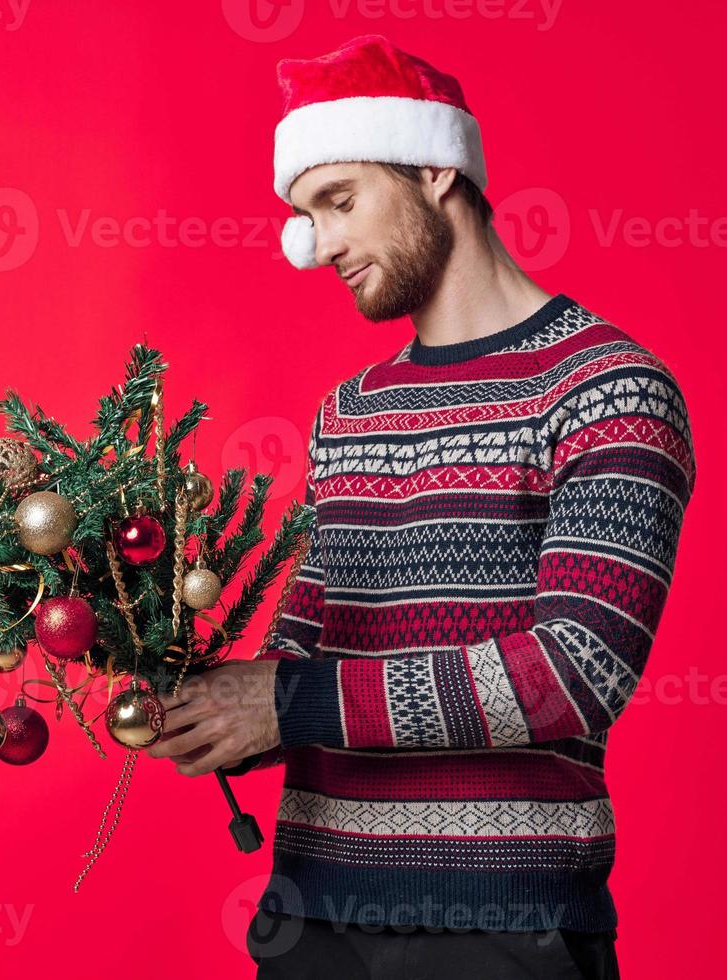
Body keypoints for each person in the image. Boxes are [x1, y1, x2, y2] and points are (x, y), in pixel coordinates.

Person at [147, 36, 696, 979]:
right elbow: (308, 642)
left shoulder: (608, 385)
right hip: (312, 914)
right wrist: (206, 707)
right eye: (307, 216)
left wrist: (281, 703)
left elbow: (574, 672)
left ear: (438, 165)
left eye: (342, 201)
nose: (322, 246)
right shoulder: (350, 411)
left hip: (505, 923)